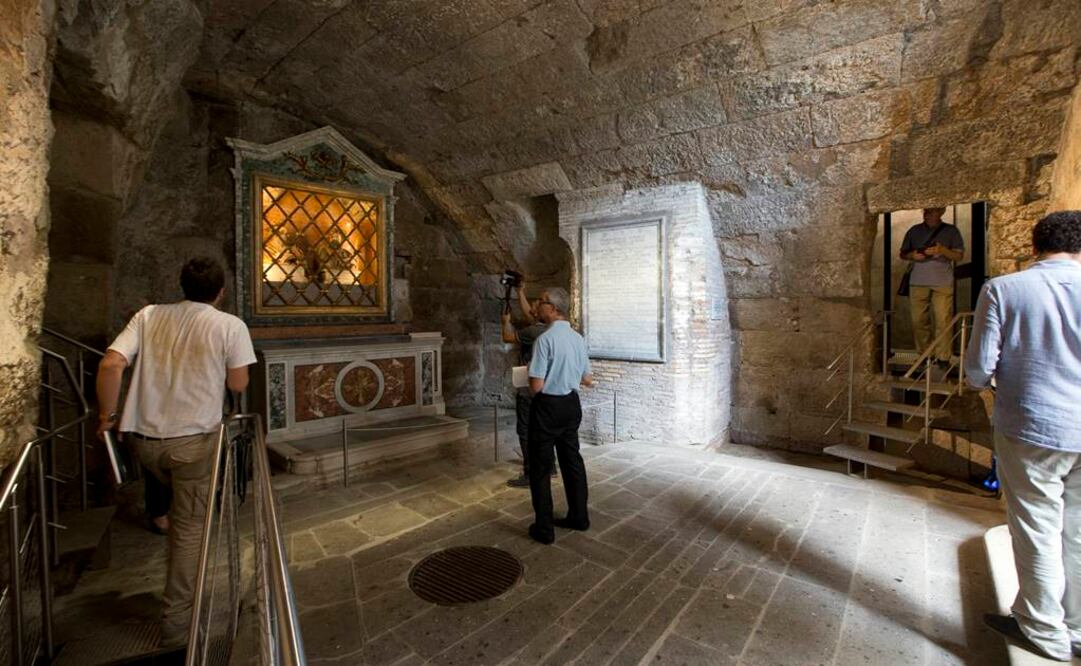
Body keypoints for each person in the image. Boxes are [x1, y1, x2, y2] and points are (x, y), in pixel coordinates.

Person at [95, 257, 256, 648]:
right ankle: (177, 624)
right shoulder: (229, 324)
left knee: (169, 501)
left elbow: (112, 363)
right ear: (221, 292)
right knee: (189, 533)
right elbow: (238, 384)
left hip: (143, 441)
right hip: (193, 442)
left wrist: (106, 416)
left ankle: (158, 515)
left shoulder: (148, 315)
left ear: (181, 285)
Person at [964, 211, 1081, 662]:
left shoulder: (1005, 289)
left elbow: (977, 370)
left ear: (1035, 246)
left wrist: (993, 383)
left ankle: (1043, 627)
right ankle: (1076, 626)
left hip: (1035, 425)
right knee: (1078, 531)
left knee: (1036, 526)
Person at [526, 287, 594, 544]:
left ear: (552, 308)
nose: (537, 306)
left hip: (548, 407)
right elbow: (587, 379)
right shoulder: (578, 339)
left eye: (541, 302)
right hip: (571, 405)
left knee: (541, 468)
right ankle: (579, 517)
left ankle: (544, 528)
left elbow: (536, 386)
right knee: (572, 461)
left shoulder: (544, 340)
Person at [900, 207, 965, 371]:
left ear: (941, 212)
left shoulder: (951, 231)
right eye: (927, 211)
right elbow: (903, 253)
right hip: (917, 281)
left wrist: (942, 250)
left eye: (933, 212)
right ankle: (925, 353)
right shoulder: (914, 231)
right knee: (918, 320)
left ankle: (943, 356)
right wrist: (912, 255)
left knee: (943, 319)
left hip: (942, 281)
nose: (928, 214)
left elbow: (958, 256)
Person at [501, 279, 550, 488]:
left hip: (530, 385)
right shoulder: (551, 329)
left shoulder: (533, 333)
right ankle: (551, 466)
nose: (534, 306)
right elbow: (530, 314)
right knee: (545, 429)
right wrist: (520, 292)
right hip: (549, 387)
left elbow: (507, 337)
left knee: (525, 430)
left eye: (539, 303)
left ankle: (530, 473)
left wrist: (505, 321)